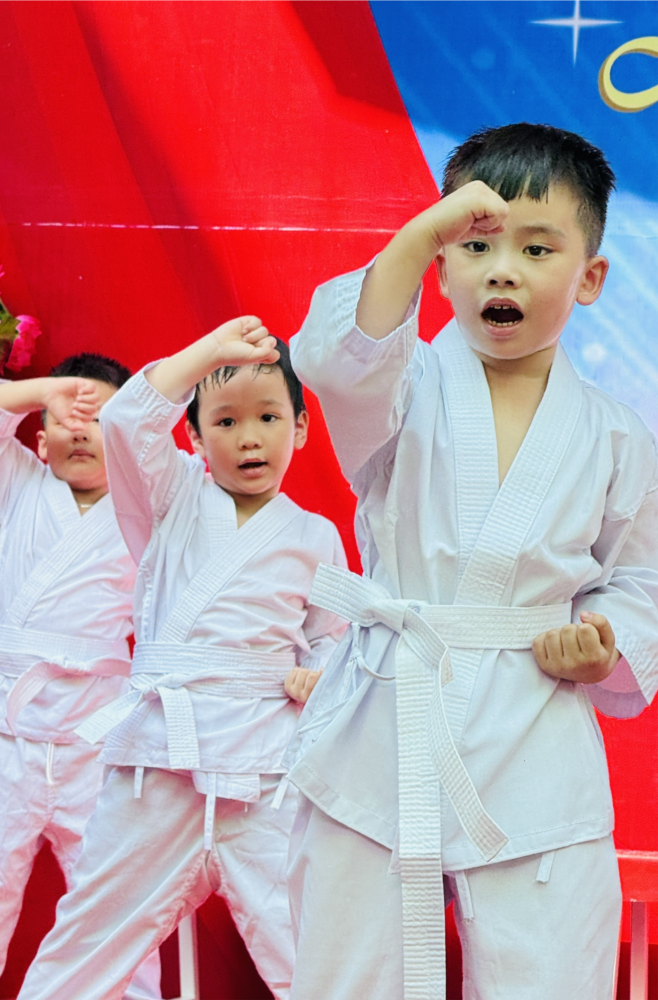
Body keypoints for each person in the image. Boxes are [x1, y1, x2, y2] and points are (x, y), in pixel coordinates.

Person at [285, 123, 658, 1000]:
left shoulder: (615, 433)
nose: (503, 271)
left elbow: (642, 579)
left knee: (551, 975)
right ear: (441, 268)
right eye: (475, 245)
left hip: (535, 727)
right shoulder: (402, 386)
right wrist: (418, 236)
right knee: (348, 978)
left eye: (537, 249)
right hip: (385, 718)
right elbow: (334, 358)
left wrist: (604, 642)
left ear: (590, 277)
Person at [12, 322, 347, 1000]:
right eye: (224, 421)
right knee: (85, 945)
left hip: (263, 772)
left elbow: (334, 637)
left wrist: (320, 673)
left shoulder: (316, 536)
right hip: (157, 769)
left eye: (267, 417)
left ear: (301, 427)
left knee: (314, 955)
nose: (248, 437)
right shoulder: (170, 500)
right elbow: (127, 419)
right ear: (192, 438)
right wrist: (211, 353)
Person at [0, 354, 162, 1000]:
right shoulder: (18, 483)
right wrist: (52, 389)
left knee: (115, 905)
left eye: (99, 419)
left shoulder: (146, 508)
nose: (81, 429)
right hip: (6, 730)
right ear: (39, 440)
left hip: (98, 738)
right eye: (65, 417)